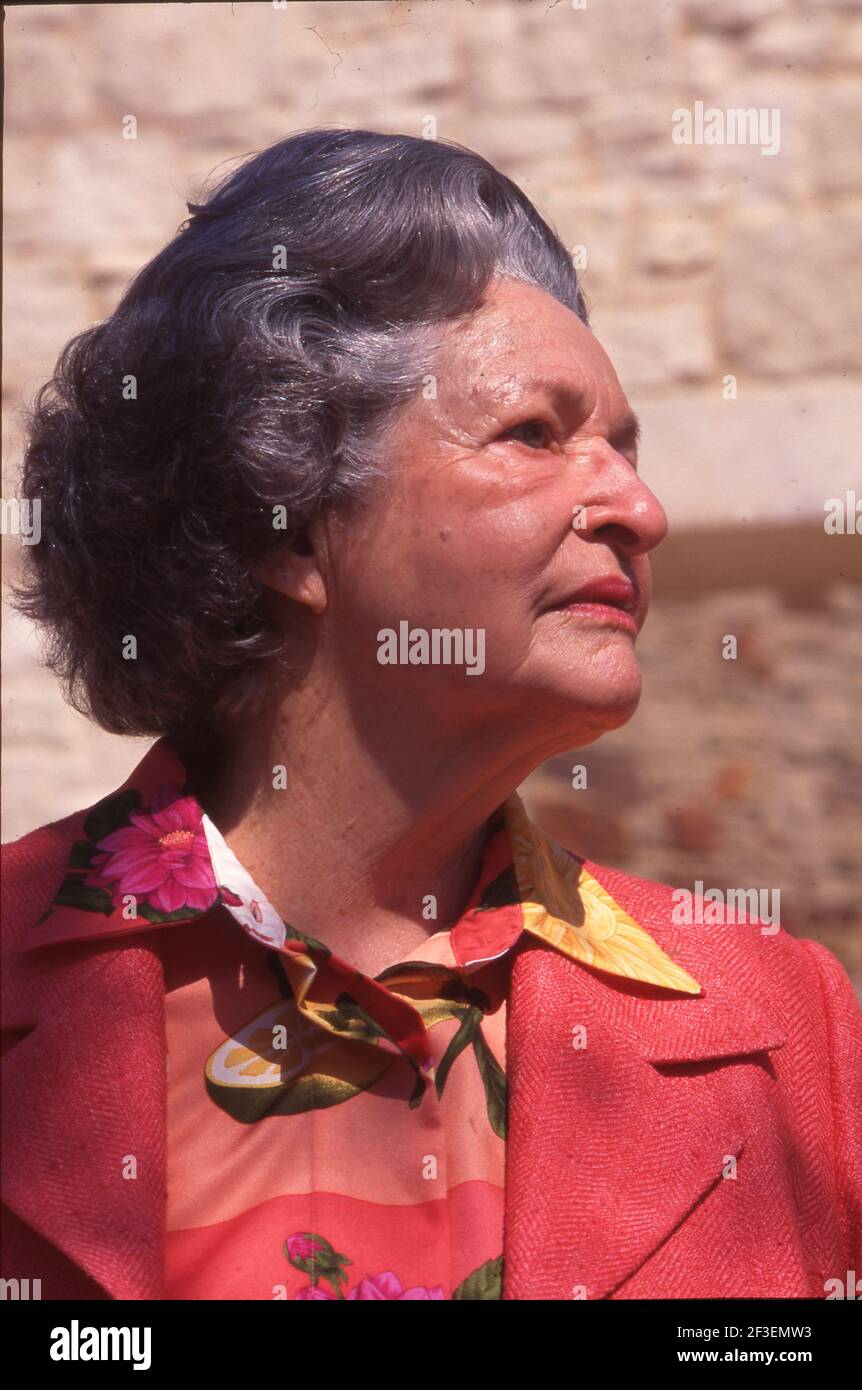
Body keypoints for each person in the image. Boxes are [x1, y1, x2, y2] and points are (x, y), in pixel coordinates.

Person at [2, 128, 860, 1301]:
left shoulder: (780, 1017)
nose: (641, 508)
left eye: (623, 447)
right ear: (288, 523)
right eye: (536, 434)